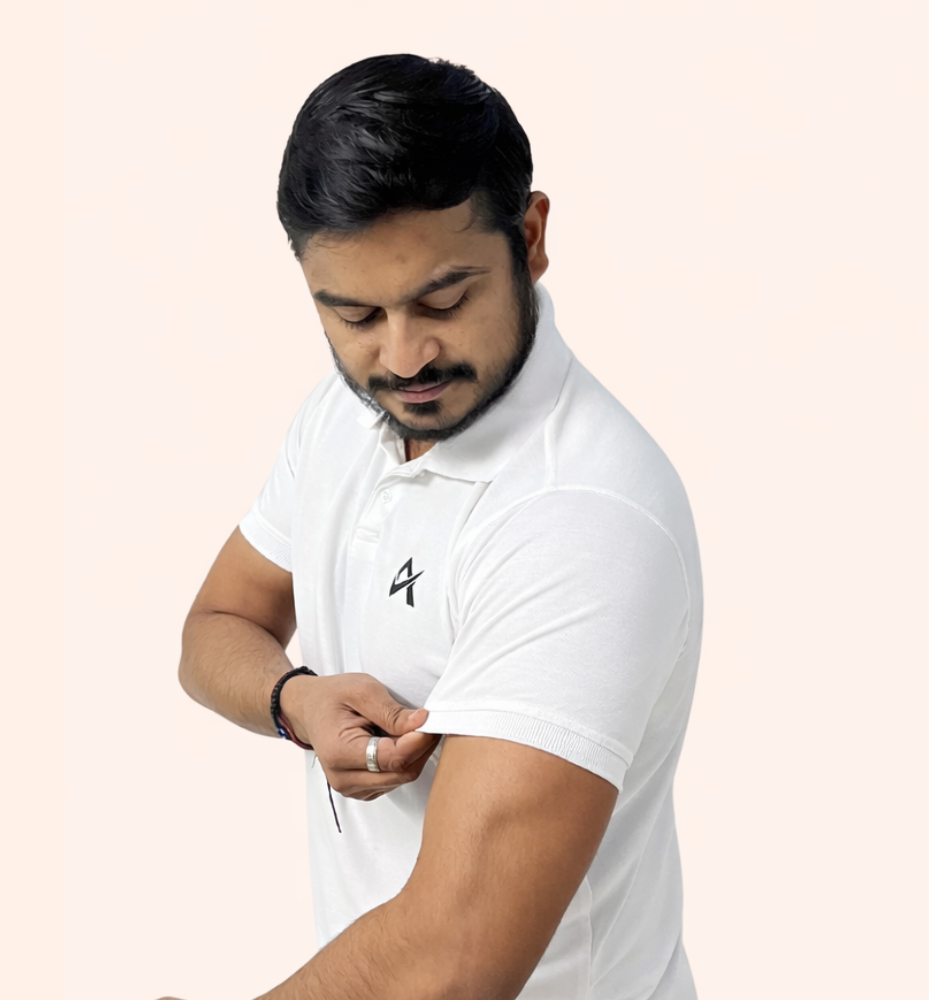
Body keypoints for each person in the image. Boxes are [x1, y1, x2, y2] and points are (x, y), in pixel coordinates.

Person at [168, 53, 702, 1000]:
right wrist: (295, 703)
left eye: (444, 302)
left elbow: (456, 956)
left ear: (531, 237)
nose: (405, 355)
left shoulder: (581, 515)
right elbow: (217, 626)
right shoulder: (342, 417)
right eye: (356, 314)